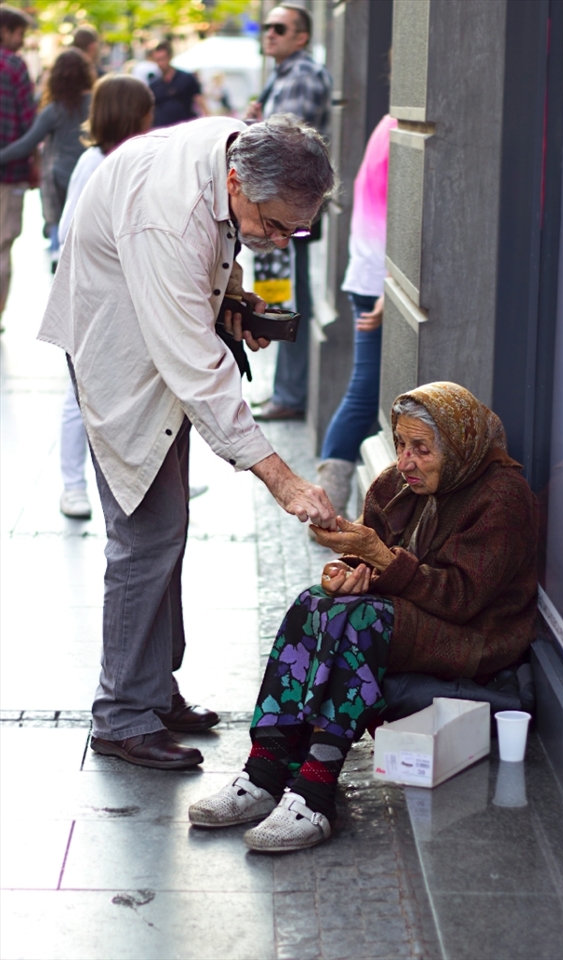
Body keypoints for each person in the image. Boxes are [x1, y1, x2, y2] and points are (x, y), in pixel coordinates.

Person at [38, 114, 338, 771]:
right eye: (277, 223)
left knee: (167, 524)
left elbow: (210, 262)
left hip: (156, 327)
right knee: (146, 531)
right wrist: (282, 481)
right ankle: (121, 715)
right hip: (116, 348)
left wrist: (230, 300)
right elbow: (198, 368)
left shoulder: (241, 150)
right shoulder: (168, 213)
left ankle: (149, 692)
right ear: (237, 182)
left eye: (296, 228)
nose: (280, 239)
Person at [188, 381, 539, 852]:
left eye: (422, 449)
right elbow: (372, 563)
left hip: (472, 637)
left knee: (362, 622)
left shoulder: (503, 496)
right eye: (400, 444)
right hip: (411, 613)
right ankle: (264, 769)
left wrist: (379, 558)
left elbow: (461, 598)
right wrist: (348, 573)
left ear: (458, 445)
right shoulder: (396, 485)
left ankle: (314, 791)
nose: (406, 461)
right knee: (314, 603)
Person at [57, 74, 155, 521]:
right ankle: (72, 485)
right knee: (81, 396)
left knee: (136, 393)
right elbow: (67, 232)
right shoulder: (92, 162)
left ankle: (147, 476)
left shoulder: (143, 161)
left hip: (129, 300)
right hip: (92, 299)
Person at [248, 3, 332, 422]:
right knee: (280, 292)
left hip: (288, 214)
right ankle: (285, 392)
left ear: (301, 37)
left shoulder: (300, 75)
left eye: (279, 28)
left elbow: (286, 146)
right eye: (266, 27)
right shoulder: (285, 74)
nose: (270, 33)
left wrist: (253, 129)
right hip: (280, 212)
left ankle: (290, 395)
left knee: (290, 298)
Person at [315, 113, 397, 515]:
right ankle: (328, 504)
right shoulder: (399, 128)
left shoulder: (387, 124)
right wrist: (390, 286)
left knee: (367, 392)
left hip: (370, 275)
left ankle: (331, 502)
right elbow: (394, 217)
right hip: (375, 280)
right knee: (365, 394)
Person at [0, 47, 94, 272]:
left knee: (64, 225)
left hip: (60, 176)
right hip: (90, 174)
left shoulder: (54, 110)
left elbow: (27, 143)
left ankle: (62, 262)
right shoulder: (95, 103)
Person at [0, 4, 36, 323]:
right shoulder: (14, 65)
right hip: (8, 174)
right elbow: (29, 122)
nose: (22, 40)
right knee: (2, 245)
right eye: (20, 33)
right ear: (5, 31)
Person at [149, 40, 208, 128]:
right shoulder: (154, 84)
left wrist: (208, 119)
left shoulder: (187, 78)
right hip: (163, 129)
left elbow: (199, 100)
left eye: (163, 59)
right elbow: (151, 109)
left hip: (185, 127)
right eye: (158, 60)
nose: (161, 63)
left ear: (170, 57)